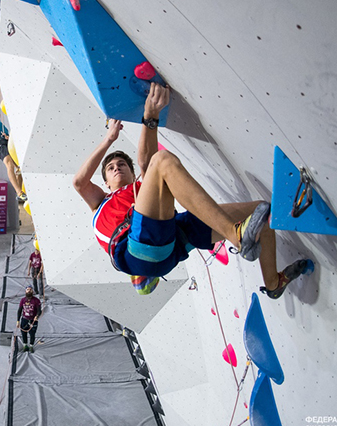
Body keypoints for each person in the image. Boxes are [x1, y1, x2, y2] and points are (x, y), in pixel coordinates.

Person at [72, 83, 311, 298]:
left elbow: (146, 164)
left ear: (132, 174)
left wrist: (151, 118)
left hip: (172, 239)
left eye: (122, 164)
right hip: (137, 251)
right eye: (111, 169)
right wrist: (109, 139)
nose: (117, 168)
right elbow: (80, 183)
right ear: (105, 183)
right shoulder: (100, 203)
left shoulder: (141, 188)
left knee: (260, 213)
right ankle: (235, 234)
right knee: (162, 161)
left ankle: (272, 283)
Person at [0, 83, 26, 201]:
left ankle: (20, 193)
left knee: (19, 168)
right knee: (9, 164)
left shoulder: (4, 127)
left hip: (6, 142)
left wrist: (8, 137)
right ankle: (19, 191)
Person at [16, 286, 42, 353]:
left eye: (30, 290)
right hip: (24, 319)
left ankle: (31, 346)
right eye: (27, 289)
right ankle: (25, 345)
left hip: (33, 320)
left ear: (32, 291)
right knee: (23, 333)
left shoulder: (36, 300)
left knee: (32, 334)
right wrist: (18, 321)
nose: (29, 291)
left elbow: (39, 311)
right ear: (25, 291)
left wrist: (37, 316)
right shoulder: (23, 300)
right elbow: (19, 311)